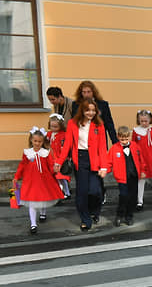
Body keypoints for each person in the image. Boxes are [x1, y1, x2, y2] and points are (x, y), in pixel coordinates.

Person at [53, 98, 107, 231]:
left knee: (95, 191)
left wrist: (104, 166)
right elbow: (67, 145)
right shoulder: (72, 123)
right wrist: (59, 162)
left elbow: (102, 147)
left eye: (93, 110)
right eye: (88, 110)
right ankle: (85, 219)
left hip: (95, 160)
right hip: (80, 159)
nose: (91, 113)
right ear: (82, 110)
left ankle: (94, 211)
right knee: (82, 192)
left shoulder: (99, 124)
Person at [13, 128, 64, 234]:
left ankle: (43, 213)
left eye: (39, 141)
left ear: (43, 142)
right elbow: (22, 166)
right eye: (35, 141)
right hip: (30, 181)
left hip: (44, 181)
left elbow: (50, 166)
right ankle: (33, 224)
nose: (37, 143)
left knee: (43, 199)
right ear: (31, 140)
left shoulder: (45, 153)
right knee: (32, 202)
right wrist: (17, 176)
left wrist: (55, 170)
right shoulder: (27, 153)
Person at [100, 126, 147, 226]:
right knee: (124, 196)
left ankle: (129, 216)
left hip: (133, 176)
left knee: (133, 198)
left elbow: (141, 160)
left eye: (126, 139)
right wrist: (104, 171)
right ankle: (119, 215)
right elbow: (109, 162)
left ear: (129, 137)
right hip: (122, 178)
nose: (124, 141)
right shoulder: (114, 148)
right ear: (118, 137)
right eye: (122, 139)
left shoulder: (135, 146)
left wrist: (143, 171)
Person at [46, 113, 71, 200]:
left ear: (60, 126)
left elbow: (64, 147)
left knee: (61, 176)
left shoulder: (63, 135)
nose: (53, 129)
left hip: (60, 158)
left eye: (55, 127)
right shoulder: (49, 134)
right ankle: (59, 192)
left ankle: (66, 192)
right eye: (52, 126)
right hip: (51, 158)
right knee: (55, 177)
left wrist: (63, 158)